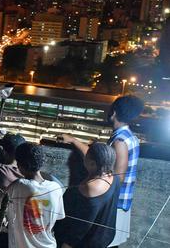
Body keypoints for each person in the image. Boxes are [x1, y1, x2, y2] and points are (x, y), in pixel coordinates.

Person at [59, 95, 143, 246]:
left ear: (114, 112)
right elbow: (102, 158)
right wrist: (74, 140)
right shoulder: (129, 136)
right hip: (118, 203)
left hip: (112, 206)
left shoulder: (120, 141)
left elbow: (118, 176)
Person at [54, 143, 121, 248]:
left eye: (86, 157)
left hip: (87, 242)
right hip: (104, 237)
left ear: (93, 163)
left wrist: (67, 244)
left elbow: (83, 224)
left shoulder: (91, 187)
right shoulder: (114, 177)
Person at [6, 142, 65, 248]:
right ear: (41, 163)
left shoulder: (18, 186)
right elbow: (57, 218)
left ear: (19, 165)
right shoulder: (56, 188)